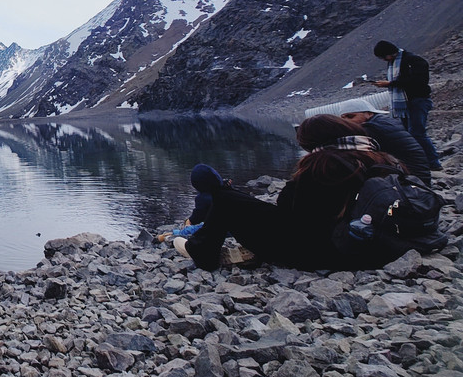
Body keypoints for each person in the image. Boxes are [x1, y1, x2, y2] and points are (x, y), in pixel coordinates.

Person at [174, 115, 412, 272]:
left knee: (226, 199)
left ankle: (202, 252)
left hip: (323, 252)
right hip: (371, 245)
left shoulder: (325, 164)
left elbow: (291, 210)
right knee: (235, 199)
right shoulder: (378, 158)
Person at [326, 98, 431, 184]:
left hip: (412, 178)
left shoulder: (372, 127)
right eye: (343, 118)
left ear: (368, 114)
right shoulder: (382, 121)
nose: (347, 121)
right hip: (418, 174)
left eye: (350, 116)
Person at [373, 40, 441, 171]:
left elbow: (418, 81)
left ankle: (433, 163)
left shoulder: (413, 61)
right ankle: (416, 162)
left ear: (389, 53)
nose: (383, 60)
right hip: (404, 104)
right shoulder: (393, 63)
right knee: (406, 133)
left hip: (417, 100)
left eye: (383, 57)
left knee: (417, 133)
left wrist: (390, 84)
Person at [156, 164, 231, 241]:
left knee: (190, 230)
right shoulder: (225, 190)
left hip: (219, 229)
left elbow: (198, 216)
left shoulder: (203, 198)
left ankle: (169, 236)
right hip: (234, 225)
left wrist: (190, 221)